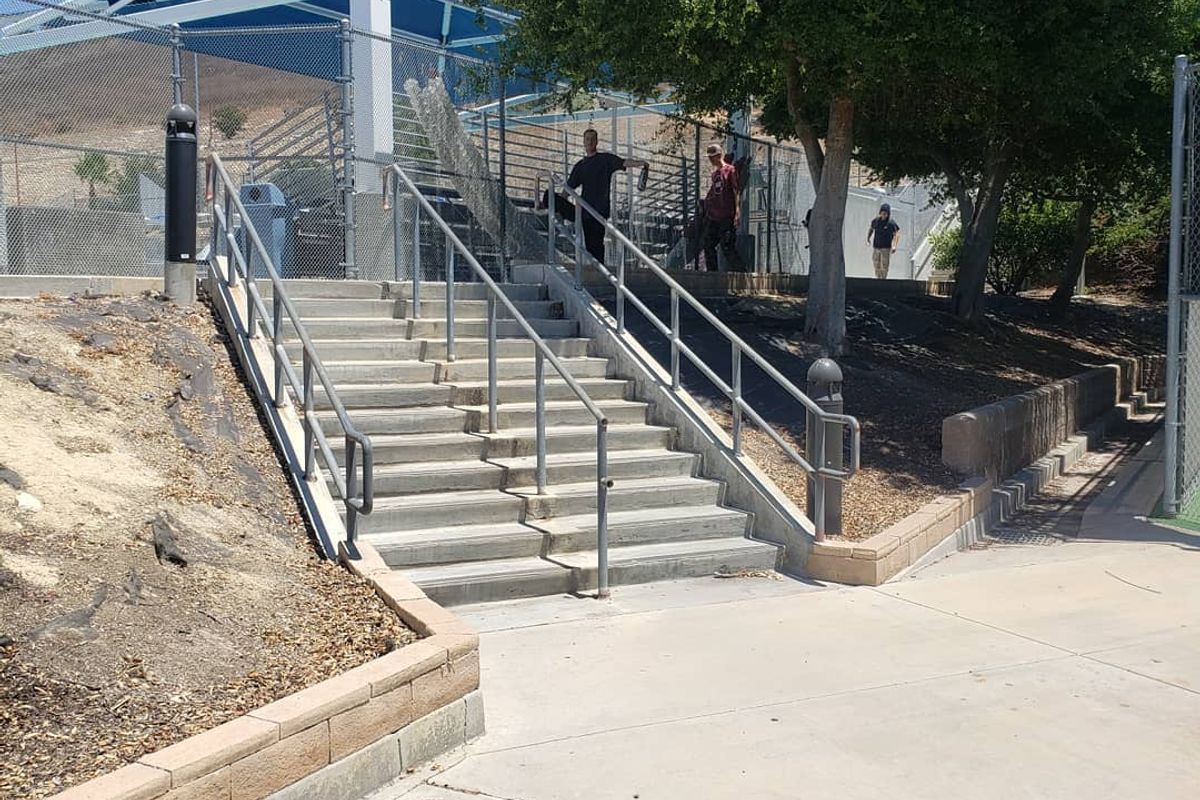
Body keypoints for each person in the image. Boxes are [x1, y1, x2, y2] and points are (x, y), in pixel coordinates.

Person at [540, 129, 648, 266]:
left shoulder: (605, 160)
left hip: (598, 212)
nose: (590, 142)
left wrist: (642, 163)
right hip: (583, 212)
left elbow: (625, 162)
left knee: (595, 246)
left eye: (592, 139)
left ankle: (600, 272)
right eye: (587, 139)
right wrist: (548, 204)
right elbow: (567, 191)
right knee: (548, 194)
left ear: (597, 141)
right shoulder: (581, 166)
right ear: (583, 142)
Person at [701, 143, 743, 272]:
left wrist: (737, 211)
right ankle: (712, 273)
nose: (710, 160)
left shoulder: (730, 170)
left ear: (719, 155)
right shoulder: (715, 174)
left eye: (712, 157)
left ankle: (741, 273)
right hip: (714, 216)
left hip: (726, 214)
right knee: (708, 244)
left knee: (727, 246)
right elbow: (714, 191)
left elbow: (736, 191)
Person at [867, 203, 901, 279]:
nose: (884, 215)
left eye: (886, 213)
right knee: (876, 263)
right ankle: (878, 278)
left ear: (888, 214)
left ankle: (883, 279)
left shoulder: (891, 223)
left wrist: (894, 245)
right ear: (880, 212)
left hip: (886, 247)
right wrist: (868, 238)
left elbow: (897, 233)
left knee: (884, 265)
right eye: (882, 213)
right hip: (876, 247)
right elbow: (871, 229)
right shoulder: (876, 221)